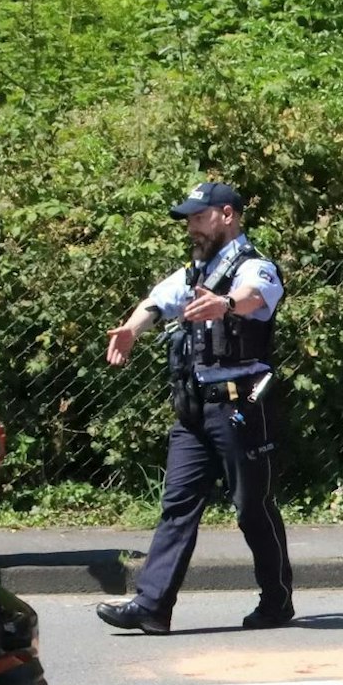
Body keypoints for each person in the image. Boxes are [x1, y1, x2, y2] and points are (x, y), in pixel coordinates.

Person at [97, 181, 295, 634]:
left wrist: (224, 305)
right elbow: (155, 300)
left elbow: (255, 297)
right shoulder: (193, 273)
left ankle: (277, 600)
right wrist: (132, 328)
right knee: (177, 505)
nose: (191, 227)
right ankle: (152, 606)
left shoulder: (255, 267)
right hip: (193, 411)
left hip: (239, 405)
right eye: (188, 219)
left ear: (227, 215)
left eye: (198, 217)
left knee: (252, 507)